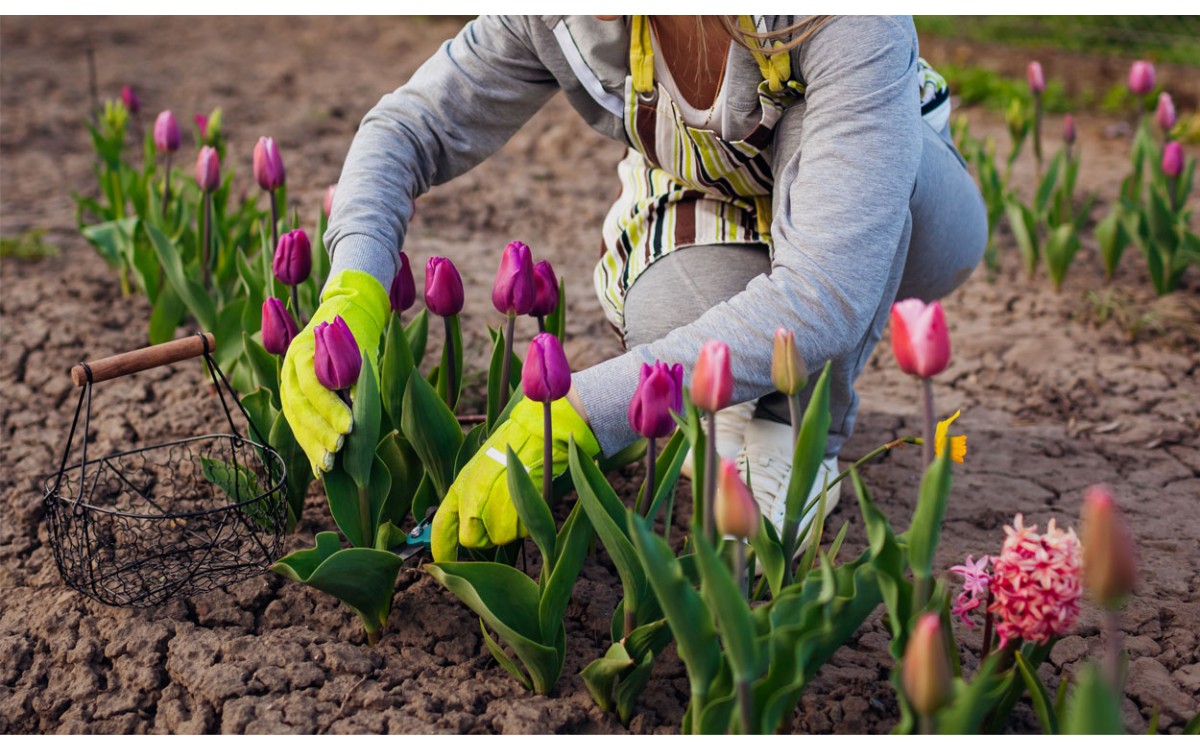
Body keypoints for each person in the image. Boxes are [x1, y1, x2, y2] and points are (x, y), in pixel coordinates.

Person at [280, 15, 987, 561]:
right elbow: (406, 128)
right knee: (665, 321)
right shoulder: (566, 16)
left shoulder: (847, 22)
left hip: (892, 202)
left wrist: (583, 410)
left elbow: (827, 289)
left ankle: (800, 432)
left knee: (832, 272)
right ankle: (740, 402)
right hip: (713, 188)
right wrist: (354, 290)